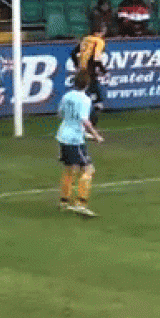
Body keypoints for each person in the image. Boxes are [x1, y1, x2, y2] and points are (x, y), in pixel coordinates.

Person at [56, 72, 104, 219]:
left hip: (63, 135)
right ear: (87, 84)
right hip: (74, 139)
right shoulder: (84, 99)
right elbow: (85, 120)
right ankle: (81, 203)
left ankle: (64, 201)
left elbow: (60, 114)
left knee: (70, 168)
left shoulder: (67, 96)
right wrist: (96, 135)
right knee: (88, 170)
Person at [70, 23, 108, 128]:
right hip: (90, 75)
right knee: (98, 101)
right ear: (96, 33)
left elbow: (73, 53)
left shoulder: (85, 39)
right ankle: (88, 125)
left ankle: (84, 124)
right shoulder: (99, 41)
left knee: (85, 98)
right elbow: (96, 59)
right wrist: (104, 71)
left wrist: (78, 65)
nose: (102, 34)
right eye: (101, 32)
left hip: (82, 73)